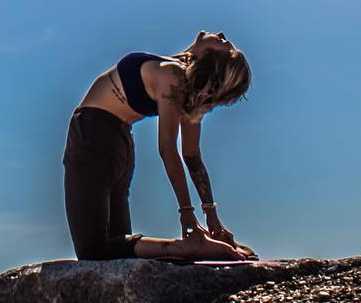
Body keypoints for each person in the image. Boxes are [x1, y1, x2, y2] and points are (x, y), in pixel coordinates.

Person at [62, 30, 255, 261]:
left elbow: (169, 149)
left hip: (94, 137)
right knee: (115, 251)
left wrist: (189, 216)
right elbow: (191, 155)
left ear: (212, 57)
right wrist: (210, 216)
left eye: (224, 42)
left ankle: (186, 248)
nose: (222, 34)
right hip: (118, 145)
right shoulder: (185, 83)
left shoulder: (172, 76)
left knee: (93, 250)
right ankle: (193, 247)